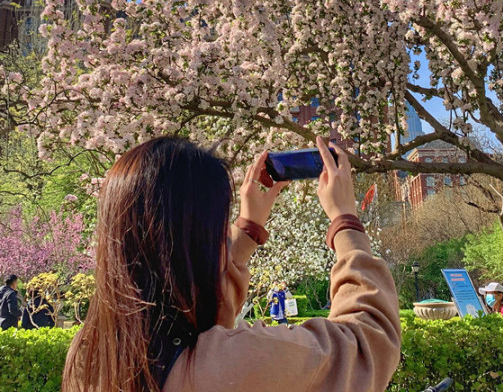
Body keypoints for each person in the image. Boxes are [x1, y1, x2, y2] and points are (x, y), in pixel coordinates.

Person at [62, 135, 401, 392]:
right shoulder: (238, 363)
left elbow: (196, 302)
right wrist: (345, 221)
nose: (225, 236)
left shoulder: (90, 356)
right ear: (198, 244)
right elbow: (368, 342)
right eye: (219, 227)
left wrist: (248, 230)